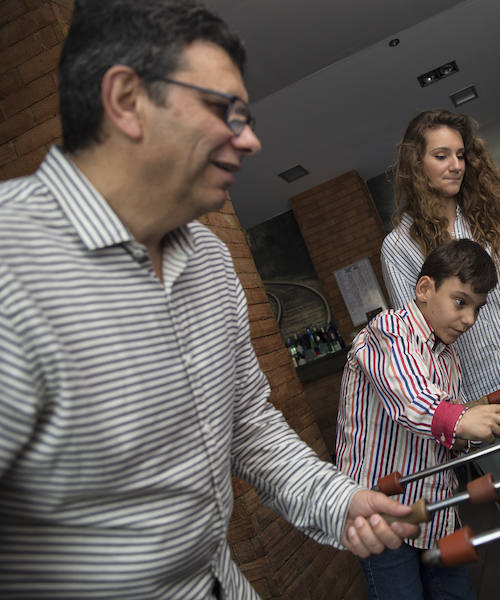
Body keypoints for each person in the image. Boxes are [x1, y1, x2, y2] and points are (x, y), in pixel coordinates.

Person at [0, 1, 418, 596]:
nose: (249, 140)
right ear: (125, 101)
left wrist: (338, 499)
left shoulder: (213, 263)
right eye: (224, 110)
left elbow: (247, 425)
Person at [381, 109, 500, 579]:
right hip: (479, 404)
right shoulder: (399, 246)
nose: (455, 165)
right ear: (415, 164)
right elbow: (416, 336)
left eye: (461, 155)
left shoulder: (488, 214)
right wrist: (456, 412)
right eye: (441, 155)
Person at [337, 239, 500, 598]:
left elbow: (448, 435)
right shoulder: (388, 330)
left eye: (477, 308)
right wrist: (464, 420)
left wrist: (484, 425)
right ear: (424, 288)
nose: (469, 319)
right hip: (381, 512)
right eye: (461, 302)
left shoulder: (447, 357)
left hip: (433, 508)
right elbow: (414, 402)